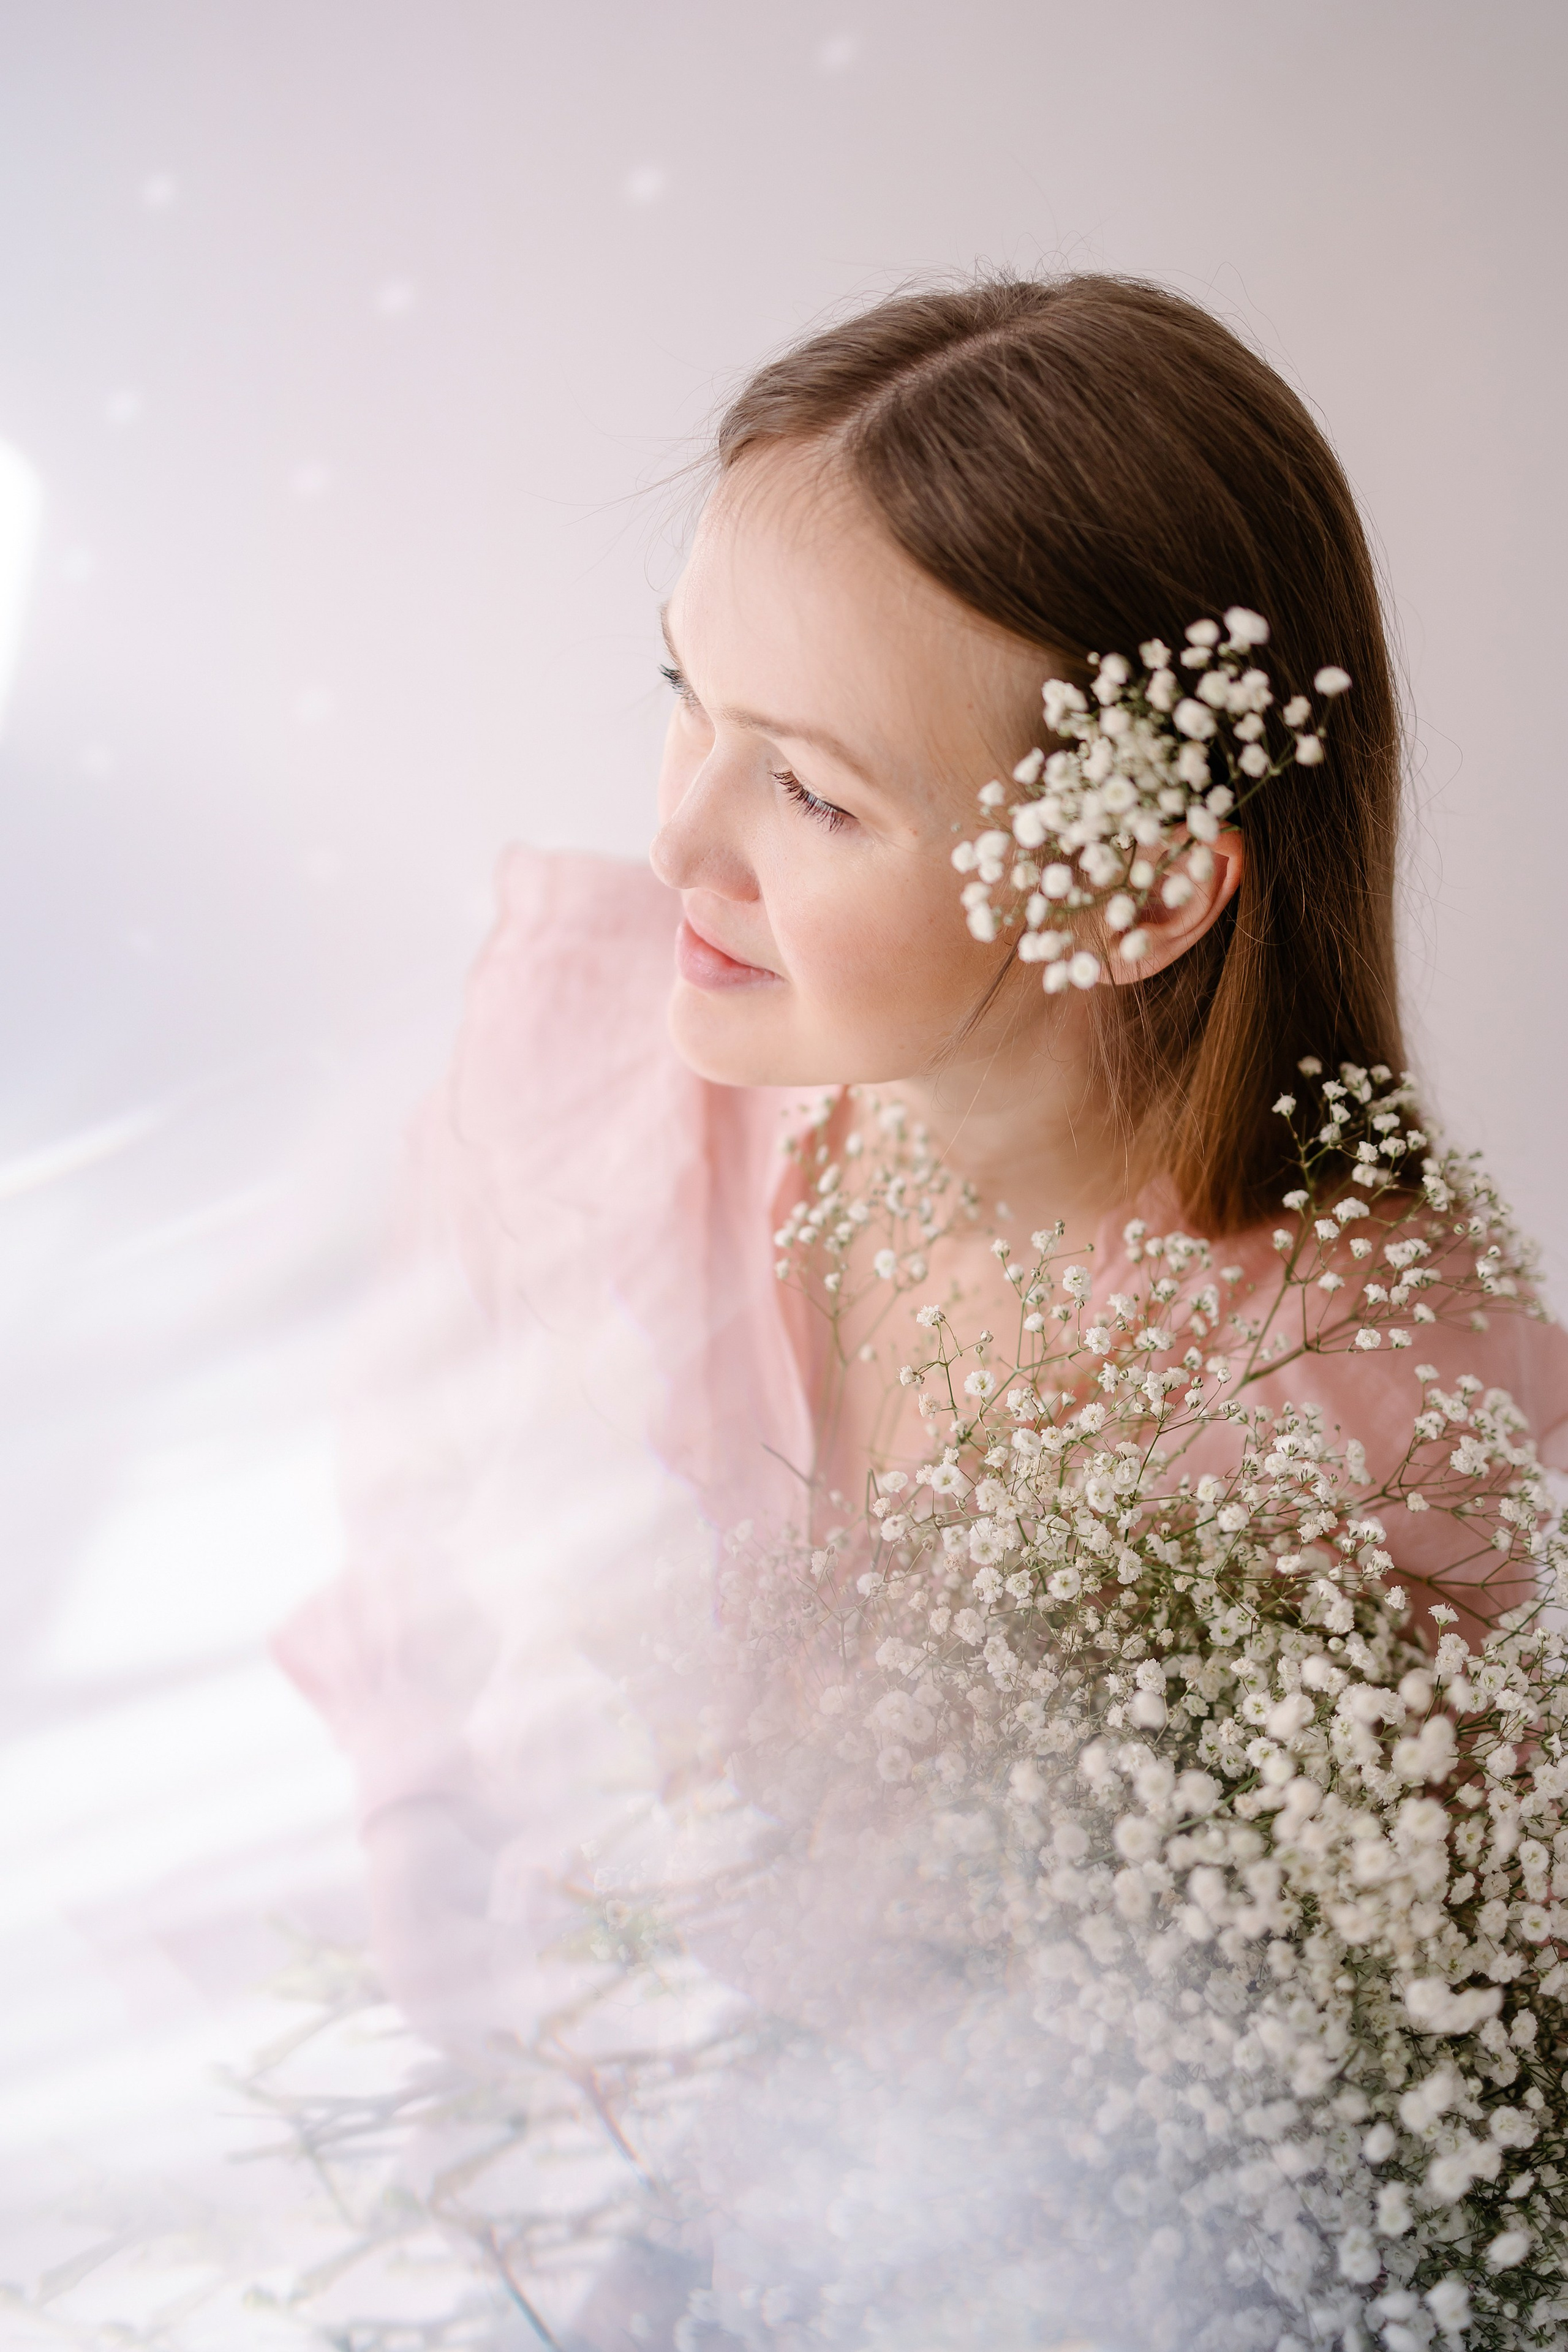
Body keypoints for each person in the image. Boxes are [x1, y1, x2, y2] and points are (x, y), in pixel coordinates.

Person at [277, 274, 1568, 2350]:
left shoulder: (1367, 1402)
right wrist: (488, 2108)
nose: (676, 828)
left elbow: (1388, 2084)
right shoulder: (588, 1071)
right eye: (682, 690)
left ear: (1138, 889)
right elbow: (409, 1612)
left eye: (814, 792)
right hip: (564, 2160)